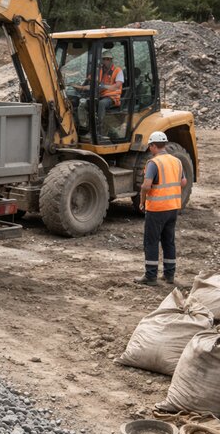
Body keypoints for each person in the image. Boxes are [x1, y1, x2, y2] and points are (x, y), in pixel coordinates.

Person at [134, 131, 187, 286]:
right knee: (168, 241)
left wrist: (142, 201)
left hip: (157, 208)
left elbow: (146, 185)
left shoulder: (153, 163)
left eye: (150, 146)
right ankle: (169, 275)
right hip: (173, 208)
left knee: (151, 242)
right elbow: (183, 182)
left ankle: (150, 276)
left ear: (153, 146)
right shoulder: (177, 161)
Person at [71, 50, 124, 140]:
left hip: (112, 97)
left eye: (108, 59)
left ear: (111, 60)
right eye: (104, 59)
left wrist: (103, 86)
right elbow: (90, 82)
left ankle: (98, 131)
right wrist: (79, 86)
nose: (106, 61)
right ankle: (84, 127)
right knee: (84, 103)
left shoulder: (118, 71)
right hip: (99, 95)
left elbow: (117, 86)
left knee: (101, 104)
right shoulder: (99, 71)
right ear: (102, 60)